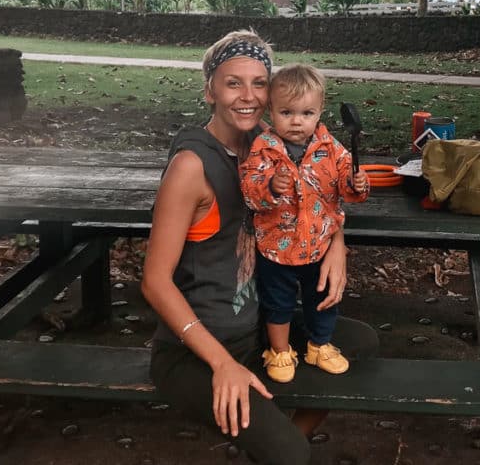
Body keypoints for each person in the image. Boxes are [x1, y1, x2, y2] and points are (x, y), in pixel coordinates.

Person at [141, 30, 377, 465]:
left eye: (258, 83)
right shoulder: (191, 166)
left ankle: (273, 441)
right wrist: (222, 365)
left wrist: (337, 242)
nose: (247, 96)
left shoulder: (269, 144)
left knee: (359, 343)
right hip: (195, 349)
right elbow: (154, 282)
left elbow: (319, 193)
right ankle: (279, 446)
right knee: (290, 454)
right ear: (210, 90)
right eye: (233, 83)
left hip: (256, 328)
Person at [239, 64, 369, 383]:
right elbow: (249, 190)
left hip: (318, 245)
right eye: (286, 112)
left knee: (322, 300)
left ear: (319, 111)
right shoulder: (264, 150)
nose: (297, 121)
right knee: (278, 303)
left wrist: (357, 184)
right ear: (271, 110)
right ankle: (280, 350)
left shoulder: (332, 149)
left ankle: (319, 345)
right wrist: (269, 187)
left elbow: (344, 188)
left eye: (306, 113)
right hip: (276, 247)